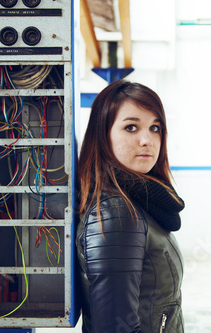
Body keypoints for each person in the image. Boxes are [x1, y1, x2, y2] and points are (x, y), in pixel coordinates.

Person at [76, 80, 185, 332]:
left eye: (155, 127)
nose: (147, 140)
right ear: (103, 136)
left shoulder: (139, 200)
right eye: (131, 127)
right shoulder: (116, 212)